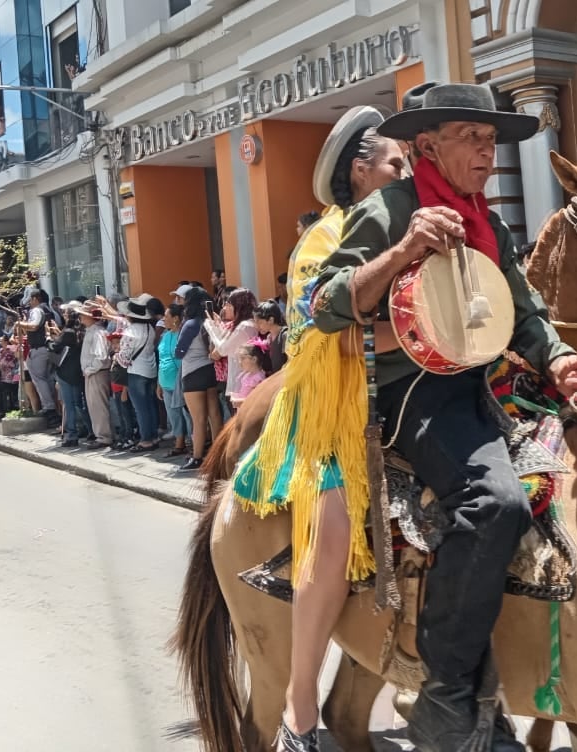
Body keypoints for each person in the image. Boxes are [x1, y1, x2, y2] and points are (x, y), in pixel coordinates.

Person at [309, 84, 577, 750]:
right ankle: (444, 696)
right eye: (471, 136)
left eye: (490, 140)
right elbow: (325, 306)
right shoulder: (388, 210)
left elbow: (522, 314)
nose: (486, 151)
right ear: (426, 145)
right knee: (494, 502)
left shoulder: (487, 222)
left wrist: (556, 361)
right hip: (415, 396)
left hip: (486, 389)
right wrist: (404, 249)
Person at [232, 104, 408, 750]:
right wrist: (420, 337)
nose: (405, 171)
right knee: (332, 534)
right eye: (395, 162)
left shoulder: (409, 226)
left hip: (413, 394)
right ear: (360, 172)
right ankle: (300, 708)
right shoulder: (324, 240)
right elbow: (315, 334)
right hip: (332, 404)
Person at [176, 287, 224, 471]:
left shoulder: (190, 324)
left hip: (193, 372)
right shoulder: (210, 321)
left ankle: (197, 457)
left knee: (198, 419)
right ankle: (219, 453)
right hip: (210, 369)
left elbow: (179, 352)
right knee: (214, 413)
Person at [115, 293, 161, 453]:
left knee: (140, 408)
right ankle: (153, 435)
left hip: (136, 371)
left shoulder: (131, 331)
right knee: (149, 405)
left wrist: (116, 355)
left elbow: (125, 356)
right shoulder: (150, 328)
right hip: (150, 369)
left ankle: (146, 439)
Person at [205, 287, 261, 408]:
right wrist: (218, 326)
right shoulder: (247, 324)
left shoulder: (245, 326)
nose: (225, 309)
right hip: (244, 378)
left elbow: (223, 349)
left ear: (239, 307)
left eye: (229, 305)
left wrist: (211, 328)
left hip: (245, 381)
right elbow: (227, 344)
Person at [16, 290, 61, 428]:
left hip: (39, 349)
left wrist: (20, 324)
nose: (29, 303)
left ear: (35, 299)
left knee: (39, 378)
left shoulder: (37, 310)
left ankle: (49, 407)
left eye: (30, 299)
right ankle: (53, 408)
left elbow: (34, 326)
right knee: (47, 378)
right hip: (49, 348)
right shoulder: (51, 311)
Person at [47, 309, 89, 448]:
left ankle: (71, 434)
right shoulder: (81, 332)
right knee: (79, 403)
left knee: (69, 405)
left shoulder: (68, 332)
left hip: (65, 372)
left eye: (65, 313)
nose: (63, 315)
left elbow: (55, 347)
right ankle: (89, 429)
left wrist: (48, 336)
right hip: (78, 371)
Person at [78, 302, 113, 449]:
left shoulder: (98, 333)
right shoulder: (92, 331)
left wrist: (90, 370)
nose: (80, 317)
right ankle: (102, 435)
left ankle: (104, 436)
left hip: (97, 373)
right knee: (94, 405)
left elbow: (101, 356)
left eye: (84, 314)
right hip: (93, 373)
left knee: (98, 406)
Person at [158, 303, 190, 457]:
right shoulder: (165, 336)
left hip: (180, 381)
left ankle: (192, 443)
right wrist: (159, 384)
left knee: (186, 414)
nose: (164, 319)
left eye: (166, 317)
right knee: (173, 415)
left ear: (176, 318)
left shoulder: (182, 335)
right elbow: (161, 359)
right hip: (165, 382)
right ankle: (179, 443)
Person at [255, 298, 287, 373]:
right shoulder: (269, 337)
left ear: (271, 320)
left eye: (260, 322)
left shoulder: (284, 335)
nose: (257, 326)